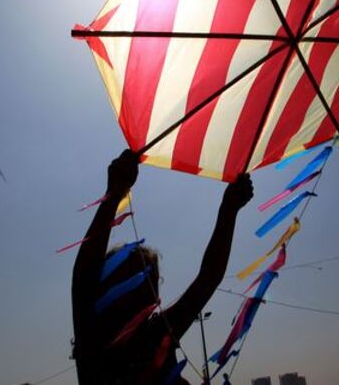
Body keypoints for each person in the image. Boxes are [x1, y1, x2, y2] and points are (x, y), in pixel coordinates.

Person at [72, 150, 254, 384]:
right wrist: (113, 194)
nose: (146, 285)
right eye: (135, 277)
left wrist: (229, 209)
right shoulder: (94, 336)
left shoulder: (156, 332)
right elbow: (84, 273)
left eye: (150, 279)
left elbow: (208, 279)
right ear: (108, 285)